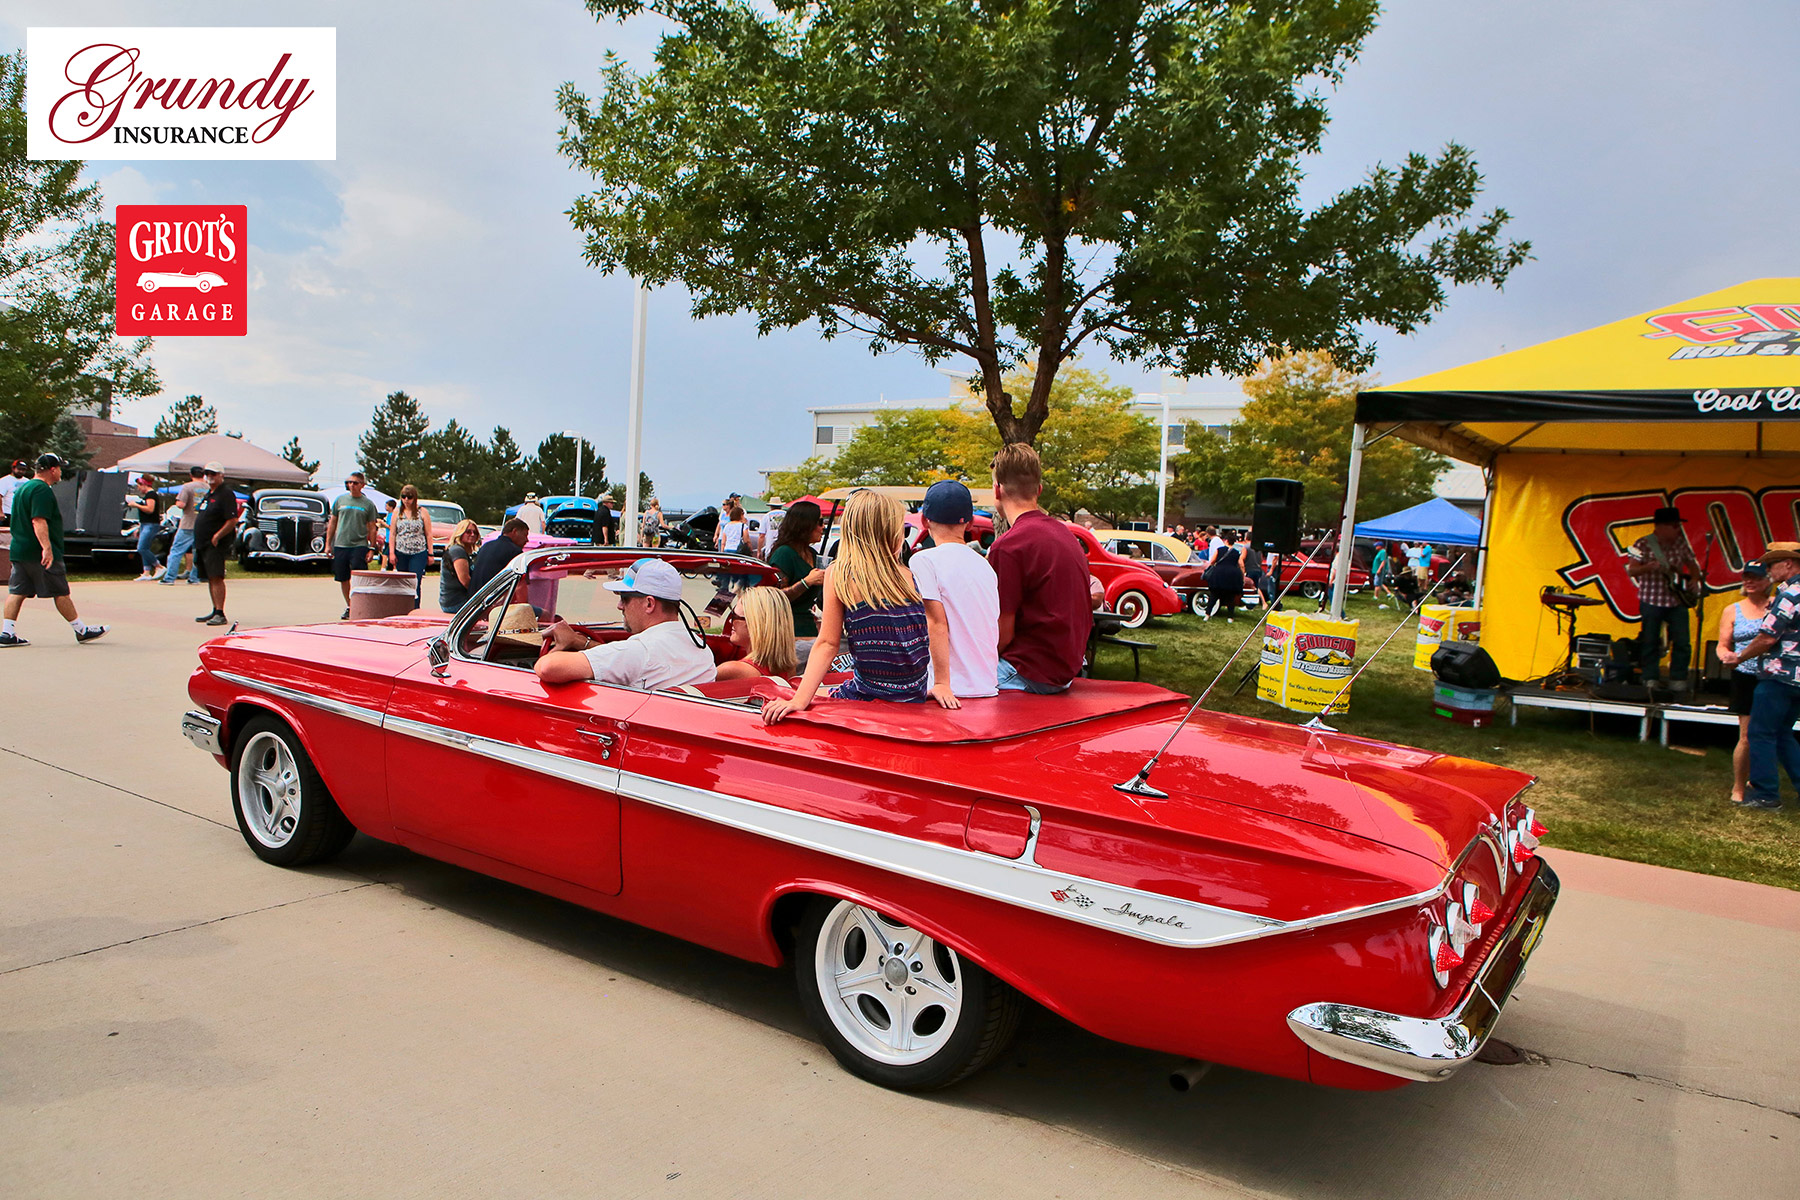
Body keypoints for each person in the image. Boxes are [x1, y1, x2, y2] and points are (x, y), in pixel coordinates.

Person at [763, 490, 933, 721]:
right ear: (890, 533)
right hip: (914, 694)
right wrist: (941, 682)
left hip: (869, 694)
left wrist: (799, 699)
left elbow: (827, 643)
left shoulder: (841, 573)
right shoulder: (907, 575)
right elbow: (933, 629)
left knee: (821, 693)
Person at [985, 444, 1092, 693]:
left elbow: (1003, 633)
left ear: (997, 490)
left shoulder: (1009, 546)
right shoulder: (1066, 535)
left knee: (943, 679)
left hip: (1029, 671)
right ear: (1039, 490)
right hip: (1065, 669)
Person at [536, 557, 716, 689]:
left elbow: (547, 668)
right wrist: (579, 642)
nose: (619, 606)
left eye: (625, 598)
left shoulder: (640, 652)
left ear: (649, 603)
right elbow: (623, 661)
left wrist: (557, 647)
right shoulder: (701, 649)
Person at [1719, 543, 1800, 811]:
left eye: (1772, 564)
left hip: (1778, 675)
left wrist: (1739, 657)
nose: (1768, 570)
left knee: (1760, 733)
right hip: (1798, 678)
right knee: (1783, 734)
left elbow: (1767, 637)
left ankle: (1766, 795)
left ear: (1788, 564)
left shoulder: (1790, 595)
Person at [2, 453, 108, 647]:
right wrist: (47, 548)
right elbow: (38, 520)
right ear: (52, 470)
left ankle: (7, 632)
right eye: (59, 468)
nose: (61, 472)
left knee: (17, 591)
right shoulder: (41, 489)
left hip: (20, 550)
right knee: (60, 591)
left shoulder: (23, 488)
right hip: (38, 553)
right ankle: (81, 630)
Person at [909, 479, 999, 706]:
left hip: (946, 690)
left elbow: (935, 622)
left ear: (924, 520)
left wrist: (941, 682)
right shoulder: (985, 566)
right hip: (987, 685)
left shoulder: (924, 560)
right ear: (969, 523)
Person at [1718, 561, 1774, 805]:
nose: (1749, 581)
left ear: (1767, 580)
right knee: (1746, 735)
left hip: (1771, 675)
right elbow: (1723, 643)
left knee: (1770, 732)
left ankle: (1761, 782)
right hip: (1743, 675)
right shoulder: (1732, 610)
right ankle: (1739, 786)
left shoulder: (1776, 607)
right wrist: (1725, 656)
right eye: (1746, 577)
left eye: (1755, 577)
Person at [1625, 506, 1698, 691]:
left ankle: (1678, 679)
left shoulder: (1681, 543)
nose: (1678, 530)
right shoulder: (1641, 544)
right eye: (1675, 526)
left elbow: (1693, 564)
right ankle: (1650, 678)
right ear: (1661, 527)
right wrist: (1648, 567)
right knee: (1650, 640)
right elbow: (1631, 570)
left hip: (1676, 600)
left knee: (1682, 642)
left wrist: (1695, 580)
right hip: (1652, 599)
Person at [767, 499, 826, 655]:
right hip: (788, 630)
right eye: (819, 522)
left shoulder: (813, 554)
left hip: (810, 626)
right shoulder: (784, 554)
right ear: (805, 524)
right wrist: (807, 582)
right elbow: (775, 597)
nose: (823, 527)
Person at [326, 472, 381, 620]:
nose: (351, 485)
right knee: (343, 577)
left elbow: (372, 527)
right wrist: (328, 544)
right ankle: (350, 605)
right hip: (341, 544)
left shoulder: (367, 504)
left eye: (355, 483)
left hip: (359, 544)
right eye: (349, 482)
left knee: (359, 577)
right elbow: (333, 523)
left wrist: (371, 548)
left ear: (362, 485)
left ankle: (360, 605)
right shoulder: (340, 500)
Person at [715, 586, 799, 681]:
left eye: (735, 616)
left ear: (754, 624)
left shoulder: (731, 670)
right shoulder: (788, 668)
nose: (730, 621)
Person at [191, 461, 238, 627]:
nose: (210, 477)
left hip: (215, 544)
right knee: (210, 577)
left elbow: (232, 520)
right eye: (207, 474)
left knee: (216, 576)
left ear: (221, 475)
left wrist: (218, 536)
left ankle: (220, 612)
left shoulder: (226, 494)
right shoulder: (210, 494)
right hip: (202, 543)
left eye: (213, 474)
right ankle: (214, 609)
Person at [159, 465, 206, 584]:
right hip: (202, 524)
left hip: (188, 523)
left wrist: (177, 501)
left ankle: (170, 577)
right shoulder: (209, 488)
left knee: (176, 550)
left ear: (191, 475)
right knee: (198, 552)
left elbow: (181, 504)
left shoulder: (187, 487)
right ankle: (194, 577)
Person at [389, 485, 433, 604]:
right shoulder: (397, 512)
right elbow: (392, 533)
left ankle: (415, 607)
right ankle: (402, 606)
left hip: (418, 552)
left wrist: (430, 553)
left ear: (414, 498)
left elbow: (428, 534)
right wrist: (391, 553)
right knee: (402, 582)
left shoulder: (422, 512)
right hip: (401, 551)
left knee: (415, 581)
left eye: (409, 497)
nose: (406, 500)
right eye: (404, 497)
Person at [470, 518, 531, 590]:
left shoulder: (486, 546)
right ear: (515, 531)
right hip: (494, 597)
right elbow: (520, 585)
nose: (527, 540)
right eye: (525, 535)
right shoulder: (514, 552)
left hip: (474, 597)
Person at [438, 519, 483, 613]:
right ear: (460, 533)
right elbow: (465, 580)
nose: (472, 534)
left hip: (456, 601)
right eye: (468, 532)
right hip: (456, 603)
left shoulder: (465, 552)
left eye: (475, 532)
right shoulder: (457, 551)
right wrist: (482, 595)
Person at [1205, 529, 1244, 621]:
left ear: (1225, 541)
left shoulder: (1219, 550)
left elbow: (1212, 561)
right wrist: (1242, 576)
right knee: (1230, 598)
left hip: (1219, 574)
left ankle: (1207, 615)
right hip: (1232, 575)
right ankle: (1230, 617)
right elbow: (1241, 565)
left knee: (1214, 596)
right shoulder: (1236, 552)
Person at [129, 475, 163, 580]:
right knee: (146, 548)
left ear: (144, 484)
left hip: (151, 524)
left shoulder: (151, 495)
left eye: (139, 485)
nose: (138, 488)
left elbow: (150, 509)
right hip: (145, 524)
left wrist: (137, 505)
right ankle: (146, 572)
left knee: (142, 548)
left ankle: (158, 566)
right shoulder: (147, 495)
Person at [1370, 541, 1393, 606]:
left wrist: (1379, 569)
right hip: (1376, 569)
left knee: (1377, 583)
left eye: (1377, 546)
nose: (1375, 547)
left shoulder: (1383, 552)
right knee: (1380, 583)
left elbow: (1383, 561)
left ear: (1380, 546)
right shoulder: (1380, 552)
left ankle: (1376, 596)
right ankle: (1389, 593)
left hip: (1379, 570)